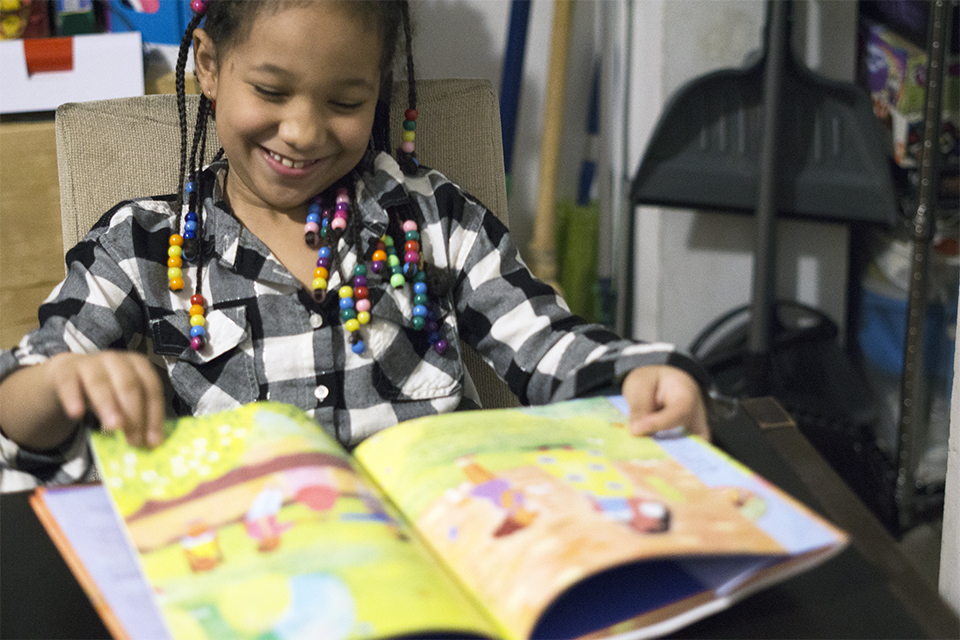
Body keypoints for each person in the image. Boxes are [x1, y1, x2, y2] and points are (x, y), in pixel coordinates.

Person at [0, 0, 710, 491]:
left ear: (379, 91)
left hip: (445, 555)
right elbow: (18, 411)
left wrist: (635, 379)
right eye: (272, 92)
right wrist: (59, 386)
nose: (304, 132)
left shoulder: (431, 217)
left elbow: (546, 342)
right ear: (210, 67)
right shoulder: (143, 245)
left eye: (344, 103)